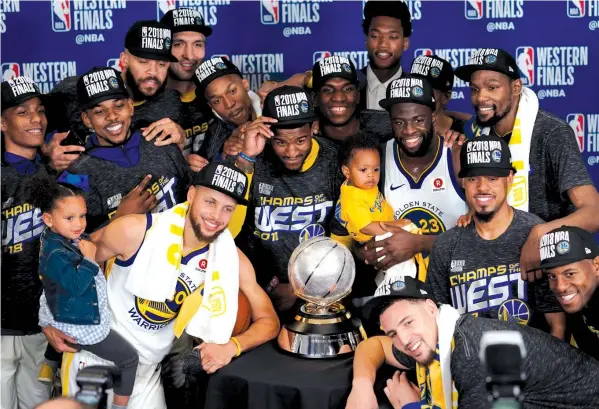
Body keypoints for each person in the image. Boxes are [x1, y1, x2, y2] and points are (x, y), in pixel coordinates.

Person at [42, 161, 280, 409]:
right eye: (210, 202)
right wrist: (47, 322)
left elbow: (269, 321)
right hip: (94, 358)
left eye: (227, 209)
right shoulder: (134, 230)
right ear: (191, 195)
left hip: (146, 370)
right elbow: (62, 265)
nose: (216, 216)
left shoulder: (231, 259)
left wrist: (233, 346)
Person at [345, 275, 599, 409]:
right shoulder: (430, 336)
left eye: (408, 322)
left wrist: (412, 406)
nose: (403, 339)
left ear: (432, 309)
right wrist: (361, 386)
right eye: (393, 333)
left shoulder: (471, 353)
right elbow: (374, 346)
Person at [454, 48, 599, 280]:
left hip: (551, 272)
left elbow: (594, 212)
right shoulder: (474, 134)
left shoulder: (551, 133)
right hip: (497, 269)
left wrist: (540, 233)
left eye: (492, 87)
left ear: (516, 88)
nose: (481, 97)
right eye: (474, 89)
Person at [426, 134, 563, 337]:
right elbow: (435, 323)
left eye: (492, 178)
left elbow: (557, 327)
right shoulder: (446, 246)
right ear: (463, 182)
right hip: (468, 364)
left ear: (510, 178)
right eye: (473, 178)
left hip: (531, 362)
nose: (482, 187)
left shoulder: (534, 234)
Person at [24, 175, 139, 409]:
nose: (78, 224)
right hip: (81, 324)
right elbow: (77, 286)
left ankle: (49, 363)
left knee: (54, 318)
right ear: (47, 219)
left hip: (60, 311)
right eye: (69, 218)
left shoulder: (59, 238)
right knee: (129, 359)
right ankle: (120, 406)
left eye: (82, 216)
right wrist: (90, 259)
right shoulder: (56, 254)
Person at [233, 85, 350, 314]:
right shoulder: (252, 159)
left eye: (300, 140)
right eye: (280, 142)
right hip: (255, 284)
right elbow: (229, 229)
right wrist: (246, 159)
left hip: (323, 286)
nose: (291, 151)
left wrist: (307, 287)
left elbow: (344, 235)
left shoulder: (334, 162)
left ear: (314, 127)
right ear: (266, 133)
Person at [58, 66, 190, 232]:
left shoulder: (162, 141)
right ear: (87, 120)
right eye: (99, 111)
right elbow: (73, 245)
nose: (112, 116)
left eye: (118, 106)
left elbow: (192, 199)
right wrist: (120, 218)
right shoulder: (76, 175)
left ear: (130, 106)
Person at [45, 19, 186, 173]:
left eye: (161, 64)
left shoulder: (170, 102)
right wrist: (45, 152)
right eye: (143, 62)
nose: (152, 72)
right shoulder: (75, 90)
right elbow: (26, 122)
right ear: (124, 59)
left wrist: (181, 137)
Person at [361, 75, 468, 274]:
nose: (409, 131)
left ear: (434, 117)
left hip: (454, 284)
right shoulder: (378, 160)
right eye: (399, 122)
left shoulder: (456, 156)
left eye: (418, 120)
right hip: (399, 289)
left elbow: (486, 234)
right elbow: (358, 232)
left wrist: (419, 243)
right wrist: (367, 251)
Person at [1, 76, 53, 409]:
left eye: (39, 110)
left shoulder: (56, 172)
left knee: (40, 403)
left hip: (42, 326)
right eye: (23, 112)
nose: (35, 119)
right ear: (2, 122)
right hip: (1, 331)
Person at [337, 132, 426, 286]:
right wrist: (396, 227)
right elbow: (366, 227)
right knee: (404, 265)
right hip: (373, 239)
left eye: (376, 169)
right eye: (363, 170)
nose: (371, 175)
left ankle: (385, 280)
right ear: (347, 172)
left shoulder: (362, 184)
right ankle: (399, 288)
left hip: (381, 231)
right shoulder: (352, 197)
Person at [539, 225, 599, 360]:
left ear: (596, 266)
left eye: (570, 274)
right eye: (552, 276)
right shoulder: (578, 299)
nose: (560, 287)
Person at [160, 8, 213, 158]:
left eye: (197, 44)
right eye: (178, 44)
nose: (189, 55)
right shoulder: (144, 98)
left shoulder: (216, 94)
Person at [192, 57, 262, 165]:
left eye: (232, 91)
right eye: (217, 101)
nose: (229, 104)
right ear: (210, 105)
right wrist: (223, 153)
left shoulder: (272, 108)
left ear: (245, 84)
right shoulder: (210, 132)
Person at [311, 55, 393, 146]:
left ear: (358, 96)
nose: (339, 98)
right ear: (315, 99)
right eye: (327, 90)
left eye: (347, 89)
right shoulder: (305, 137)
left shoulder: (388, 127)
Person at [409, 55, 467, 134]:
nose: (417, 94)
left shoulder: (467, 134)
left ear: (446, 97)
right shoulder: (395, 129)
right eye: (413, 87)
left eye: (427, 89)